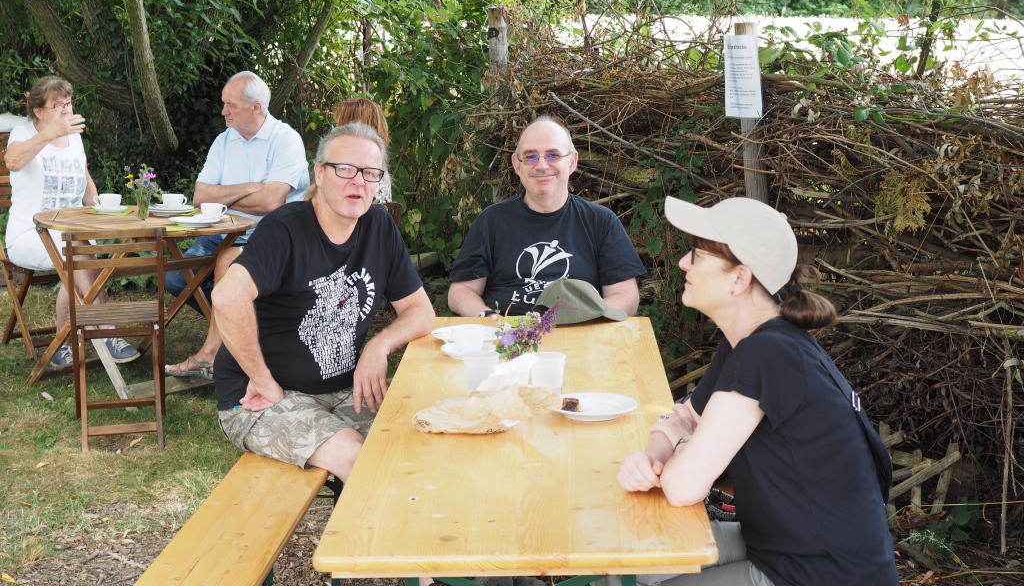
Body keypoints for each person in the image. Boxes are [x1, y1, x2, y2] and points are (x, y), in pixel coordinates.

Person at [615, 196, 898, 586]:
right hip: (778, 546)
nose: (682, 262)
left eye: (696, 255)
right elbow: (686, 416)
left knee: (637, 569)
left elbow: (681, 488)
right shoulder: (750, 343)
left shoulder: (766, 355)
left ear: (739, 279)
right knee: (627, 557)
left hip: (821, 573)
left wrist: (678, 449)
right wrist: (651, 457)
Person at [212, 122, 434, 479]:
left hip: (347, 389)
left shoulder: (379, 227)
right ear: (319, 173)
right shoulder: (284, 230)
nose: (358, 182)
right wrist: (262, 379)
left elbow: (420, 310)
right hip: (263, 397)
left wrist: (379, 346)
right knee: (360, 460)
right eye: (345, 169)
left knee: (422, 440)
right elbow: (227, 297)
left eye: (370, 172)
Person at [164, 71, 309, 379]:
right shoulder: (224, 140)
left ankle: (213, 353)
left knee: (227, 266)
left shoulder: (285, 140)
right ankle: (239, 333)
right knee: (176, 278)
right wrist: (252, 187)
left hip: (272, 237)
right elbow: (200, 196)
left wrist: (226, 196)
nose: (223, 111)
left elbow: (271, 202)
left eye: (230, 105)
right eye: (224, 104)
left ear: (256, 107)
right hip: (222, 233)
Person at [447, 116, 645, 317]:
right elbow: (461, 291)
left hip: (579, 331)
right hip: (505, 332)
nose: (542, 166)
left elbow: (625, 297)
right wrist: (491, 320)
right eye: (531, 156)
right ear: (517, 164)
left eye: (553, 155)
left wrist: (574, 321)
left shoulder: (601, 222)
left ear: (572, 161)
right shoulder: (491, 221)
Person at [4, 76, 138, 366]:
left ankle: (64, 343)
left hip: (73, 234)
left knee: (77, 251)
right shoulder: (23, 133)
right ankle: (105, 331)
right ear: (39, 111)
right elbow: (13, 162)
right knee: (77, 250)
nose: (66, 109)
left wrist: (103, 208)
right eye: (58, 105)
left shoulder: (74, 138)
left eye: (69, 103)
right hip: (30, 234)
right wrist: (48, 134)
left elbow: (85, 181)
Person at [305, 98, 392, 204]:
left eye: (338, 123)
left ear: (352, 125)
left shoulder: (354, 177)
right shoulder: (378, 171)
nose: (335, 128)